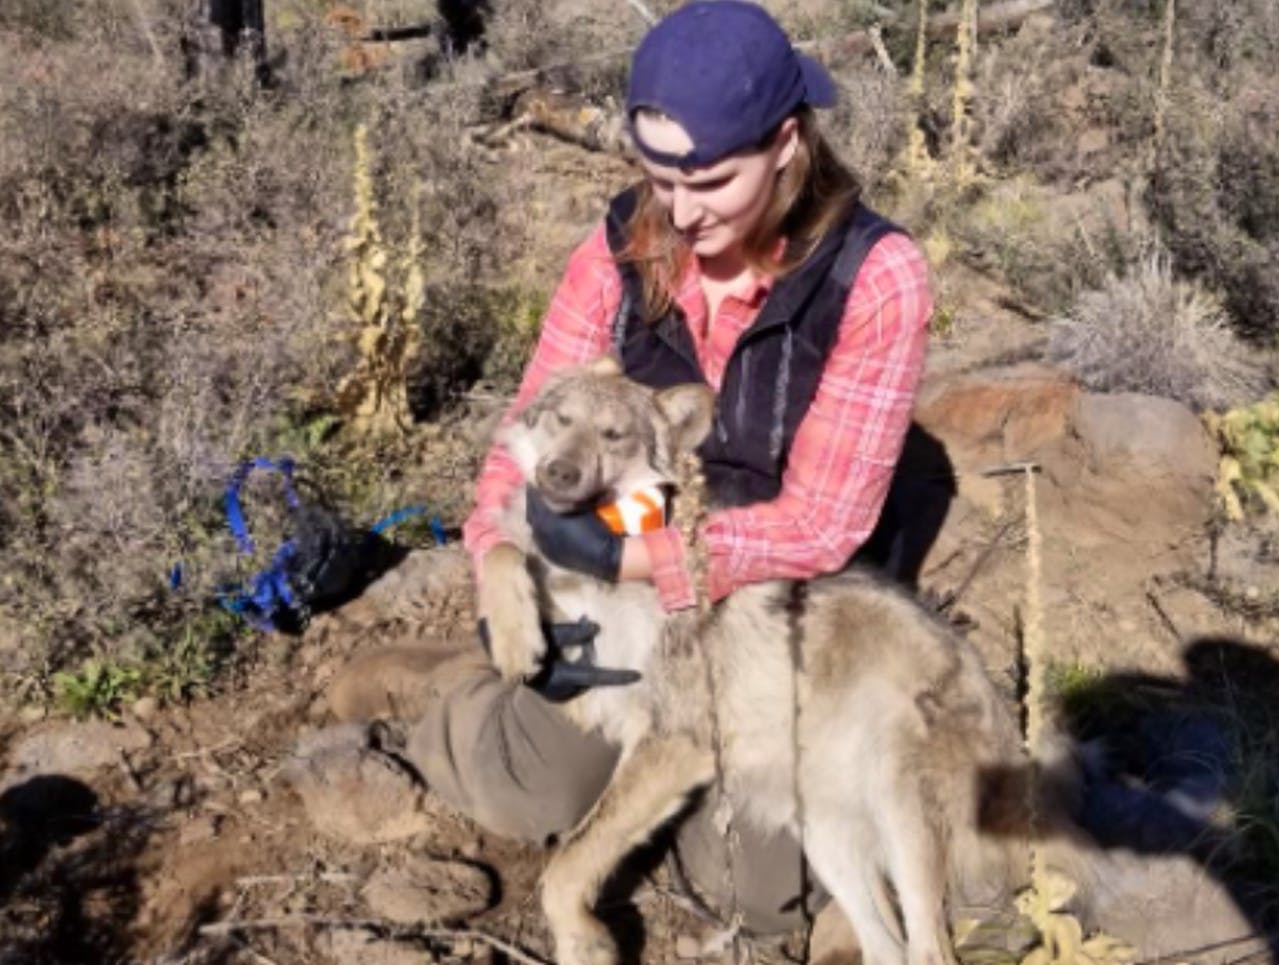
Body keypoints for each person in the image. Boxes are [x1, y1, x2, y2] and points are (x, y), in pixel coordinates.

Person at [398, 0, 937, 939]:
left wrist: (622, 556)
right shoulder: (618, 251)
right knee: (531, 787)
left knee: (760, 885)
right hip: (625, 611)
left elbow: (822, 524)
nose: (681, 214)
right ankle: (436, 696)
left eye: (712, 183)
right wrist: (499, 570)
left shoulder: (875, 278)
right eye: (659, 180)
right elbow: (518, 442)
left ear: (786, 142)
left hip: (767, 607)